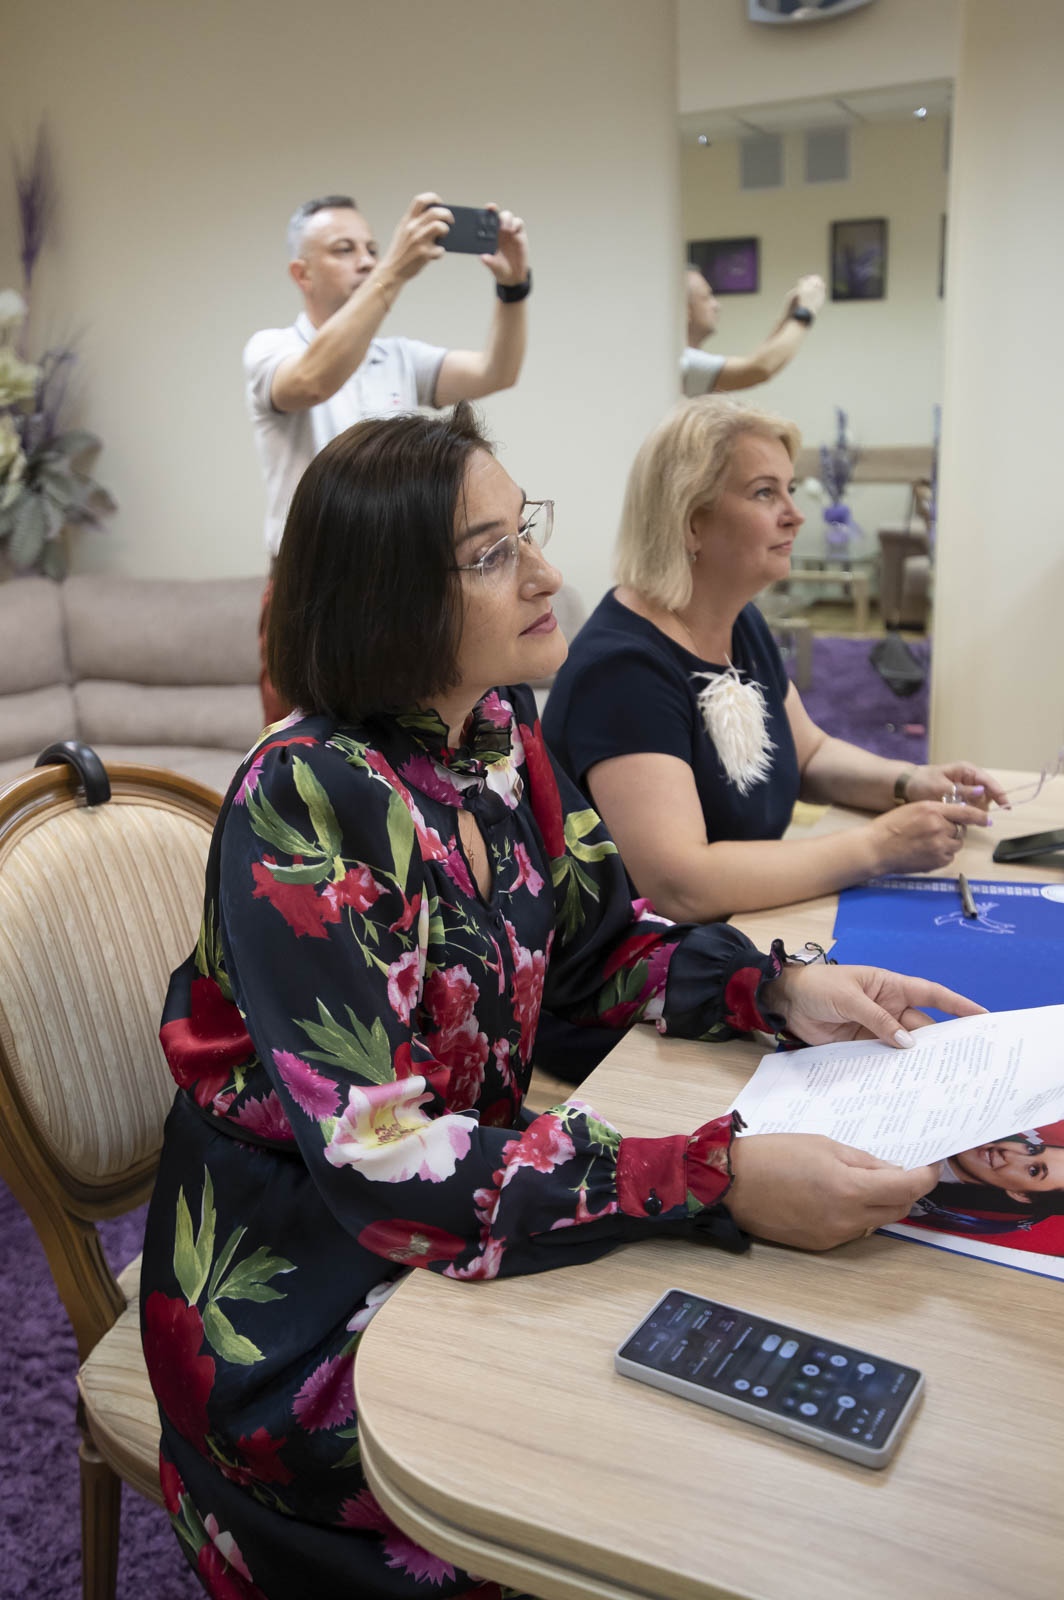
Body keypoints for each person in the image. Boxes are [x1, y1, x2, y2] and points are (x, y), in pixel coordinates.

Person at [141, 403, 980, 1600]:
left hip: (450, 1210)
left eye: (522, 529)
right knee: (644, 1454)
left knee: (717, 1357)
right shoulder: (306, 798)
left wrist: (782, 988)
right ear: (389, 597)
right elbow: (382, 1156)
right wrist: (709, 1175)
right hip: (303, 1301)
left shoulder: (497, 734)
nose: (544, 572)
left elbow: (596, 956)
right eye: (490, 555)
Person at [543, 396, 1008, 928]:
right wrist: (880, 845)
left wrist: (908, 781)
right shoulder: (623, 671)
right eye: (765, 492)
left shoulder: (738, 621)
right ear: (690, 522)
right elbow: (680, 886)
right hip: (636, 966)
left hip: (738, 928)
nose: (795, 513)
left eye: (790, 489)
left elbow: (808, 755)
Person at [245, 190, 531, 719]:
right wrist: (394, 271)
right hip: (313, 587)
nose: (366, 260)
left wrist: (513, 287)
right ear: (302, 273)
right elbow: (312, 381)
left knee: (406, 744)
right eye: (344, 249)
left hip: (402, 583)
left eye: (373, 249)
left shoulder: (395, 357)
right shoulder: (273, 350)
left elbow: (497, 370)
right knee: (302, 745)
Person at [682, 266, 825, 396]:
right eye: (706, 297)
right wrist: (805, 313)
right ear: (684, 310)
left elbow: (762, 362)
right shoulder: (683, 360)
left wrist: (789, 317)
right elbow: (758, 369)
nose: (716, 305)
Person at [908, 1125, 1064, 1236]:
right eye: (1032, 1149)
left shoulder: (914, 1202)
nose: (1008, 1153)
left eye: (1033, 1171)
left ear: (1021, 1195)